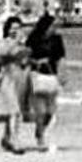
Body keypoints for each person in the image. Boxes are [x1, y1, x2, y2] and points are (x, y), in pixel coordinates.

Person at [23, 11, 66, 149]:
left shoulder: (57, 39)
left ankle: (39, 130)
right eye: (53, 25)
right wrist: (36, 61)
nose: (55, 28)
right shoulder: (34, 38)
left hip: (51, 75)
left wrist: (62, 74)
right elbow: (25, 56)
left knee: (50, 112)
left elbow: (61, 58)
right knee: (40, 110)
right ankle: (41, 138)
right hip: (36, 75)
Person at [0, 16, 30, 152]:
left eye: (18, 28)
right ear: (8, 29)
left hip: (20, 79)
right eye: (13, 28)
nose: (15, 30)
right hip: (7, 79)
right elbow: (1, 57)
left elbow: (25, 61)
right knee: (15, 111)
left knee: (12, 111)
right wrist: (16, 44)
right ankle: (14, 140)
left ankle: (7, 137)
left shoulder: (22, 44)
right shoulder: (4, 42)